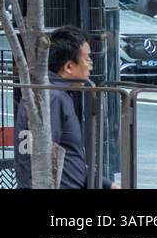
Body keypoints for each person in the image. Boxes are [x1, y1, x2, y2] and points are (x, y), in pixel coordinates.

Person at [13, 25, 116, 189]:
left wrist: (106, 184)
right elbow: (37, 157)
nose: (90, 66)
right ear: (69, 66)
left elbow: (69, 159)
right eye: (87, 59)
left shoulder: (51, 94)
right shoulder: (53, 97)